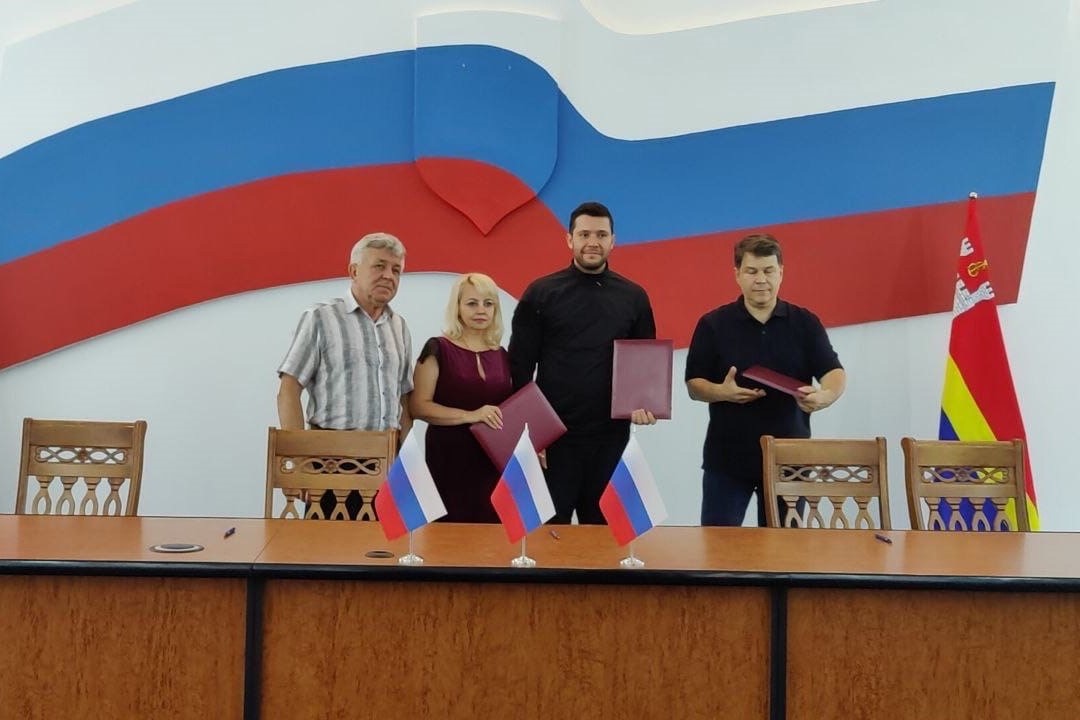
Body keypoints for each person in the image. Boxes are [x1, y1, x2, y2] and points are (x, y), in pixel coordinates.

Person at [509, 201, 657, 525]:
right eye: (585, 234)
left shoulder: (634, 297)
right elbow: (519, 367)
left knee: (606, 538)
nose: (593, 242)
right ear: (569, 239)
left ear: (613, 241)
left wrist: (644, 403)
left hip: (611, 439)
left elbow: (644, 366)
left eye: (601, 235)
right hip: (553, 440)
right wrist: (532, 432)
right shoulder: (541, 293)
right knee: (549, 536)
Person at [685, 233, 845, 527]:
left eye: (769, 271)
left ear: (781, 272)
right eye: (752, 271)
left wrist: (825, 396)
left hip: (789, 461)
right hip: (727, 460)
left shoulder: (805, 323)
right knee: (719, 548)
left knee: (784, 552)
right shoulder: (713, 324)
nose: (761, 280)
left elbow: (834, 372)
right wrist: (721, 392)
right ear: (737, 274)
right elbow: (694, 384)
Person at [277, 232, 413, 519]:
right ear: (353, 271)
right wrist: (300, 460)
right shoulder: (320, 318)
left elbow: (404, 402)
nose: (389, 276)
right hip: (330, 461)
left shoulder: (399, 327)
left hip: (386, 465)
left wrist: (406, 463)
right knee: (328, 546)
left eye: (396, 270)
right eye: (379, 266)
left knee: (385, 547)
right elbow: (289, 389)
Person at [410, 273, 513, 523]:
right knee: (447, 536)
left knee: (492, 535)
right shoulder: (437, 347)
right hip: (449, 459)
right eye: (472, 303)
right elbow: (418, 407)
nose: (481, 310)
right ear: (457, 307)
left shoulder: (501, 354)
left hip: (492, 461)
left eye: (488, 304)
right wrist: (471, 415)